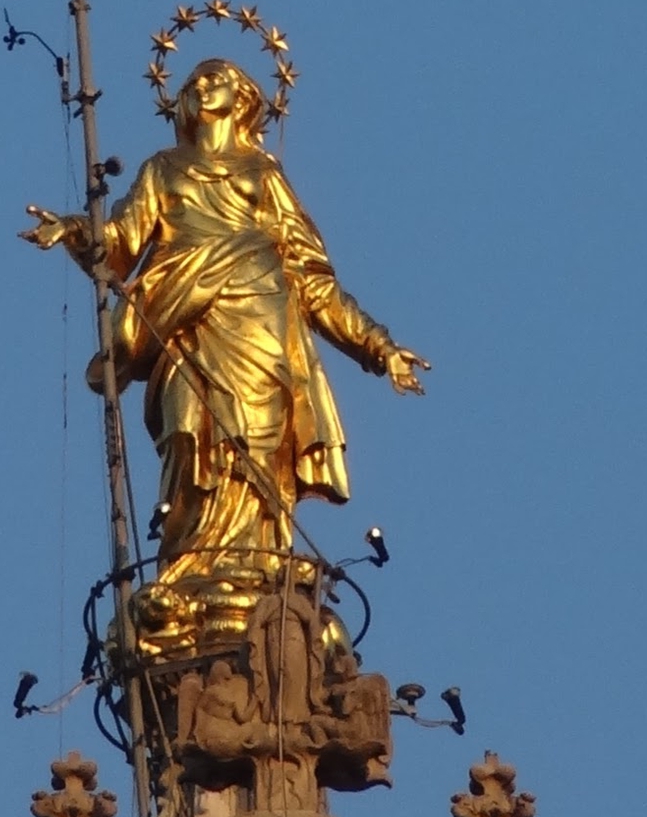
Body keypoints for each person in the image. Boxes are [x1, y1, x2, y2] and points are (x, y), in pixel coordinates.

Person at [26, 58, 426, 656]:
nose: (203, 82)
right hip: (187, 322)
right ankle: (192, 561)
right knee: (191, 438)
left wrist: (379, 347)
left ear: (244, 98)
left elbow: (314, 282)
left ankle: (261, 560)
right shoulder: (163, 169)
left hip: (263, 321)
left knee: (263, 444)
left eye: (219, 76)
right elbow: (121, 244)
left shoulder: (263, 174)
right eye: (196, 78)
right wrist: (77, 230)